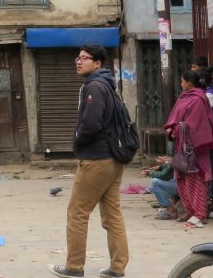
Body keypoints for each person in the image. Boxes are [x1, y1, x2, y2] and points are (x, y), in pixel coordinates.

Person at [50, 45, 129, 278]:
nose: (78, 61)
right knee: (112, 214)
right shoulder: (107, 85)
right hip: (114, 159)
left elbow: (91, 124)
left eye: (85, 58)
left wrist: (77, 141)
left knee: (77, 212)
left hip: (97, 159)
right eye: (78, 57)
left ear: (97, 63)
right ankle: (118, 267)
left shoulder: (94, 86)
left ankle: (74, 267)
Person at [165, 69, 213, 226]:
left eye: (182, 81)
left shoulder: (198, 99)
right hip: (180, 147)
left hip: (196, 148)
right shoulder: (183, 97)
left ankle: (200, 213)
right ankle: (189, 210)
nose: (181, 84)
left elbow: (195, 124)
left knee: (197, 180)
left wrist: (177, 130)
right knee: (182, 179)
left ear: (189, 82)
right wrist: (171, 131)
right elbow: (174, 118)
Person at [143, 154, 179, 220]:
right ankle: (168, 206)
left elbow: (164, 174)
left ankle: (168, 209)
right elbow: (169, 169)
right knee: (157, 182)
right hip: (177, 181)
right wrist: (161, 166)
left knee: (155, 182)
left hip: (182, 185)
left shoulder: (182, 151)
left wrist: (150, 173)